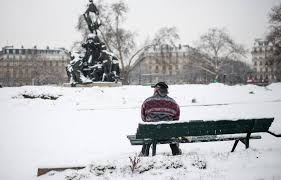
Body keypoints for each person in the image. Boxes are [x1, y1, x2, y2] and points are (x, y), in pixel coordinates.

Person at [140, 82, 182, 156]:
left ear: (156, 90)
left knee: (148, 133)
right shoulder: (173, 102)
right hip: (168, 134)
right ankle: (176, 152)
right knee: (171, 130)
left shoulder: (147, 102)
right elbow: (176, 119)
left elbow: (143, 118)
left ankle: (144, 153)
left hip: (151, 134)